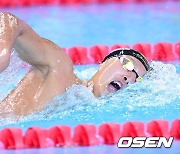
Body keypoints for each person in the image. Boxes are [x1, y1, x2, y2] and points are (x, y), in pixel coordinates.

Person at [0, 12, 150, 116]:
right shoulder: (59, 68)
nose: (129, 77)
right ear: (104, 63)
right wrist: (3, 53)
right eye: (128, 65)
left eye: (137, 79)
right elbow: (9, 20)